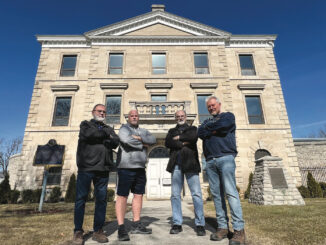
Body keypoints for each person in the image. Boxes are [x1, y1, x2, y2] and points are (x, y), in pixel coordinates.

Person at [198, 96, 245, 245]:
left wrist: (210, 131)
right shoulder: (206, 122)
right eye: (209, 107)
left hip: (225, 158)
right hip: (210, 161)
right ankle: (223, 227)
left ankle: (239, 231)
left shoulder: (228, 116)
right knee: (217, 196)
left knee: (231, 193)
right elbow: (200, 133)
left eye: (213, 105)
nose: (211, 108)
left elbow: (225, 125)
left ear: (219, 104)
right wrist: (213, 130)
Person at [73, 104, 120, 245]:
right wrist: (106, 136)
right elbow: (89, 135)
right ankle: (78, 231)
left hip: (103, 169)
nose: (102, 113)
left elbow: (115, 142)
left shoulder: (108, 128)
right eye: (100, 111)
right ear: (93, 112)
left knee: (101, 200)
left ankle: (98, 230)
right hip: (86, 168)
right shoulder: (85, 125)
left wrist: (106, 136)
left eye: (104, 112)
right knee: (81, 199)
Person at [115, 109, 156, 241]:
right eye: (132, 116)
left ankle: (136, 224)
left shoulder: (143, 130)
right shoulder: (124, 129)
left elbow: (153, 139)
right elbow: (126, 140)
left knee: (138, 195)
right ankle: (121, 228)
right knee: (122, 196)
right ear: (128, 117)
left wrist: (139, 138)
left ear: (139, 117)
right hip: (126, 167)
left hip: (140, 168)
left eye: (136, 116)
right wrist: (143, 144)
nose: (134, 117)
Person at [165, 110, 206, 236]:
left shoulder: (192, 128)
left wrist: (178, 139)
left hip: (191, 164)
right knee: (175, 195)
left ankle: (200, 224)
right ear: (175, 118)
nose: (180, 118)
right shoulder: (171, 131)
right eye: (178, 116)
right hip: (176, 165)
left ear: (186, 117)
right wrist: (184, 142)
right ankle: (177, 223)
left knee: (196, 194)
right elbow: (168, 142)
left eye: (182, 116)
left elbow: (193, 137)